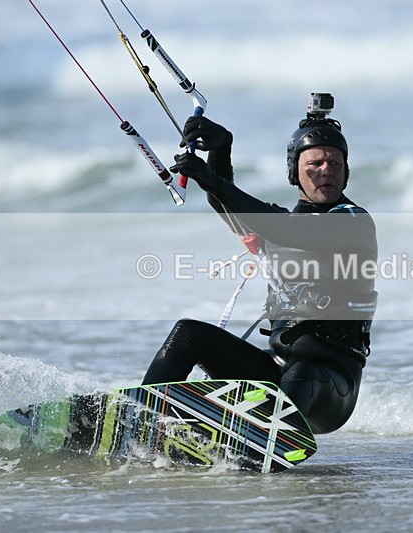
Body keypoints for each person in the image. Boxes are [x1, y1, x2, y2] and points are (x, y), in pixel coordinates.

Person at [141, 94, 377, 434]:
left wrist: (213, 179)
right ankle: (141, 421)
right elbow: (232, 210)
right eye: (315, 164)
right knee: (188, 333)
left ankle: (256, 443)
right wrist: (221, 150)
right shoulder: (281, 225)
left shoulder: (354, 221)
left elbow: (280, 226)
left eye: (335, 164)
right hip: (278, 372)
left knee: (302, 373)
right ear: (294, 172)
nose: (326, 171)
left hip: (330, 386)